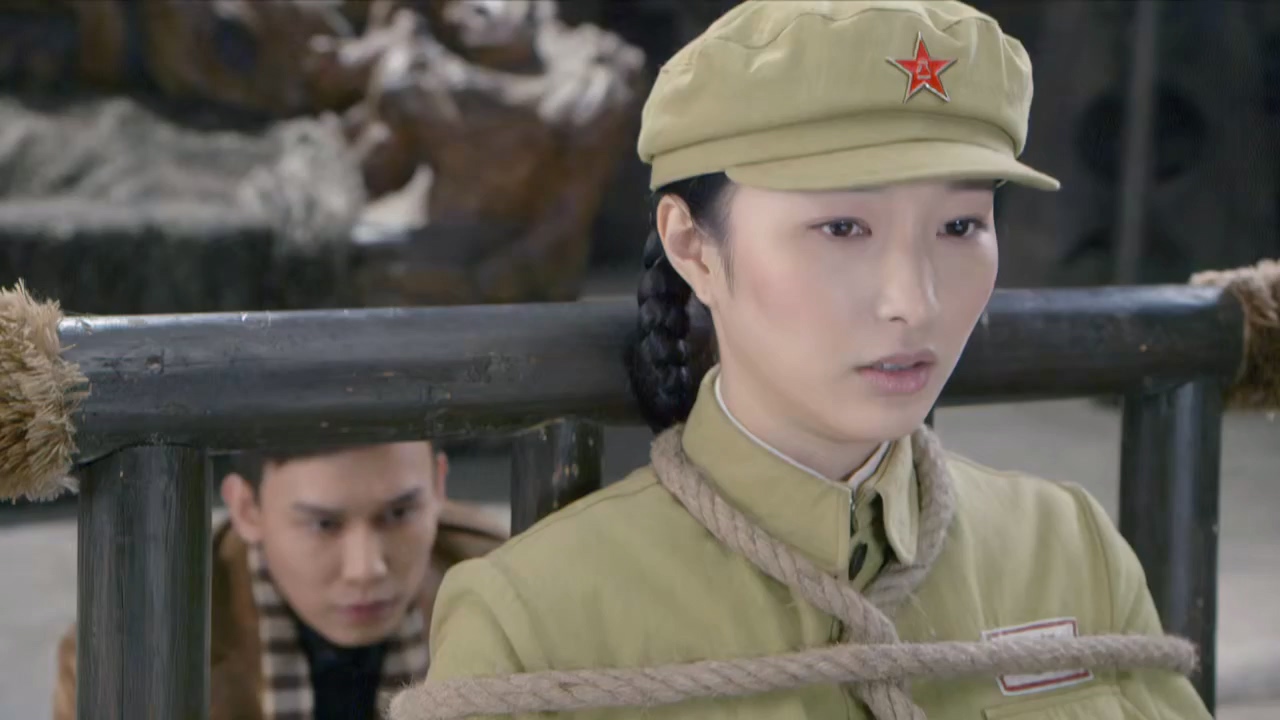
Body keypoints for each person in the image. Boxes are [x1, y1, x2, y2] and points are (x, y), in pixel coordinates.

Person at [398, 2, 1214, 719]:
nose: (914, 300)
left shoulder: (1068, 551)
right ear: (693, 247)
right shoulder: (536, 622)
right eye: (843, 228)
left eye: (960, 226)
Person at [52, 440, 506, 720]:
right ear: (247, 510)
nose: (366, 568)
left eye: (399, 513)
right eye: (323, 525)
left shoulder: (506, 589)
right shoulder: (130, 647)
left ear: (438, 486)